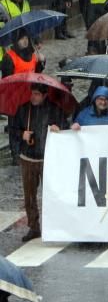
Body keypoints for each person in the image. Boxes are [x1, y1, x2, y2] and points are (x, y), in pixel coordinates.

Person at [9, 84, 67, 241]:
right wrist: (22, 134)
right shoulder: (23, 109)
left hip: (48, 158)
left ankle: (54, 226)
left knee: (52, 194)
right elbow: (12, 129)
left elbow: (66, 127)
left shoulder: (55, 110)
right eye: (32, 93)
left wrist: (59, 128)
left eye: (36, 94)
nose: (33, 97)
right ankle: (33, 227)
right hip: (28, 158)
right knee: (29, 196)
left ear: (44, 95)